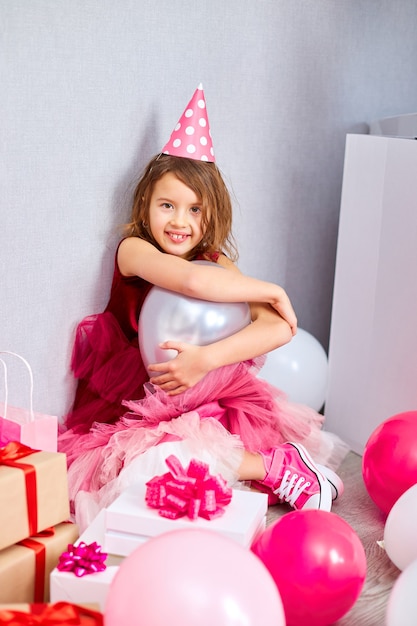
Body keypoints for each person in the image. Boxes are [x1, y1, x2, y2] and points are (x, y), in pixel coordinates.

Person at [59, 85, 347, 530]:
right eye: (167, 205)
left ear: (212, 216)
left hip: (201, 396)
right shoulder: (134, 251)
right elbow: (192, 280)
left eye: (195, 210)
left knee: (178, 459)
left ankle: (277, 467)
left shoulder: (218, 262)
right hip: (138, 399)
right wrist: (272, 289)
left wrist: (205, 360)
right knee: (137, 475)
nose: (179, 221)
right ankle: (264, 469)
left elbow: (278, 329)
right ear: (145, 206)